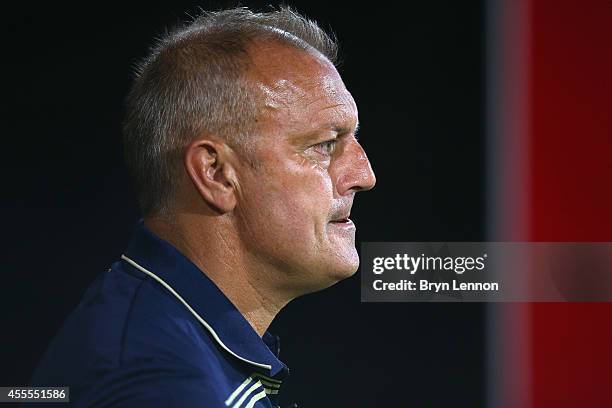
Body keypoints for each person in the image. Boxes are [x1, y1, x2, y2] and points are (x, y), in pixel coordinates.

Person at [30, 6, 376, 407]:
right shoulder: (161, 386)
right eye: (324, 145)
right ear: (215, 173)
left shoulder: (169, 342)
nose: (364, 175)